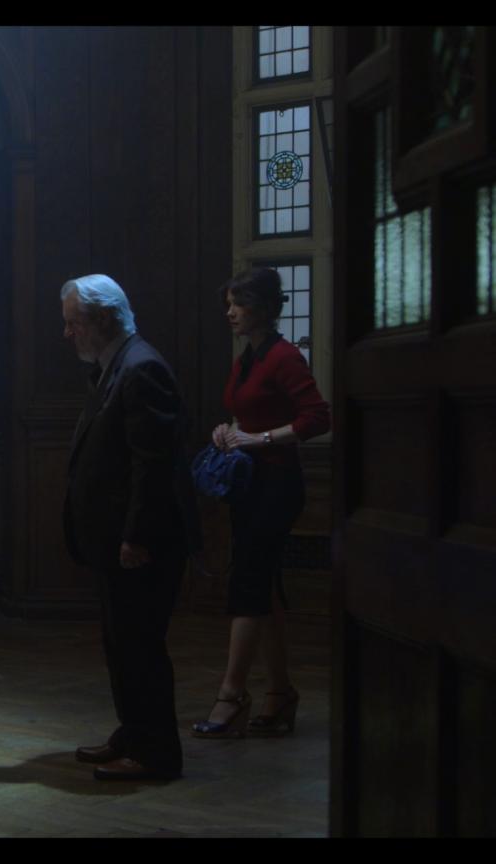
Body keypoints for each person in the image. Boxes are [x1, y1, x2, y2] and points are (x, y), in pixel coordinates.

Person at [61, 274, 202, 781]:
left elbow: (154, 465)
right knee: (122, 644)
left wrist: (137, 537)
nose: (68, 333)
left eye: (74, 323)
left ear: (103, 319)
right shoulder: (115, 365)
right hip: (116, 541)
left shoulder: (141, 368)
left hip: (141, 544)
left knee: (140, 647)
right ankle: (133, 734)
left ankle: (156, 753)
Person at [192, 268, 330, 739]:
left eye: (239, 304)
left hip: (277, 486)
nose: (230, 312)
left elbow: (318, 417)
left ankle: (232, 694)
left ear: (265, 308)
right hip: (251, 485)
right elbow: (248, 415)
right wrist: (228, 431)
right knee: (262, 585)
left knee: (249, 583)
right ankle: (280, 693)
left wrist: (260, 438)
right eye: (228, 304)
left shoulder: (284, 356)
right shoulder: (249, 357)